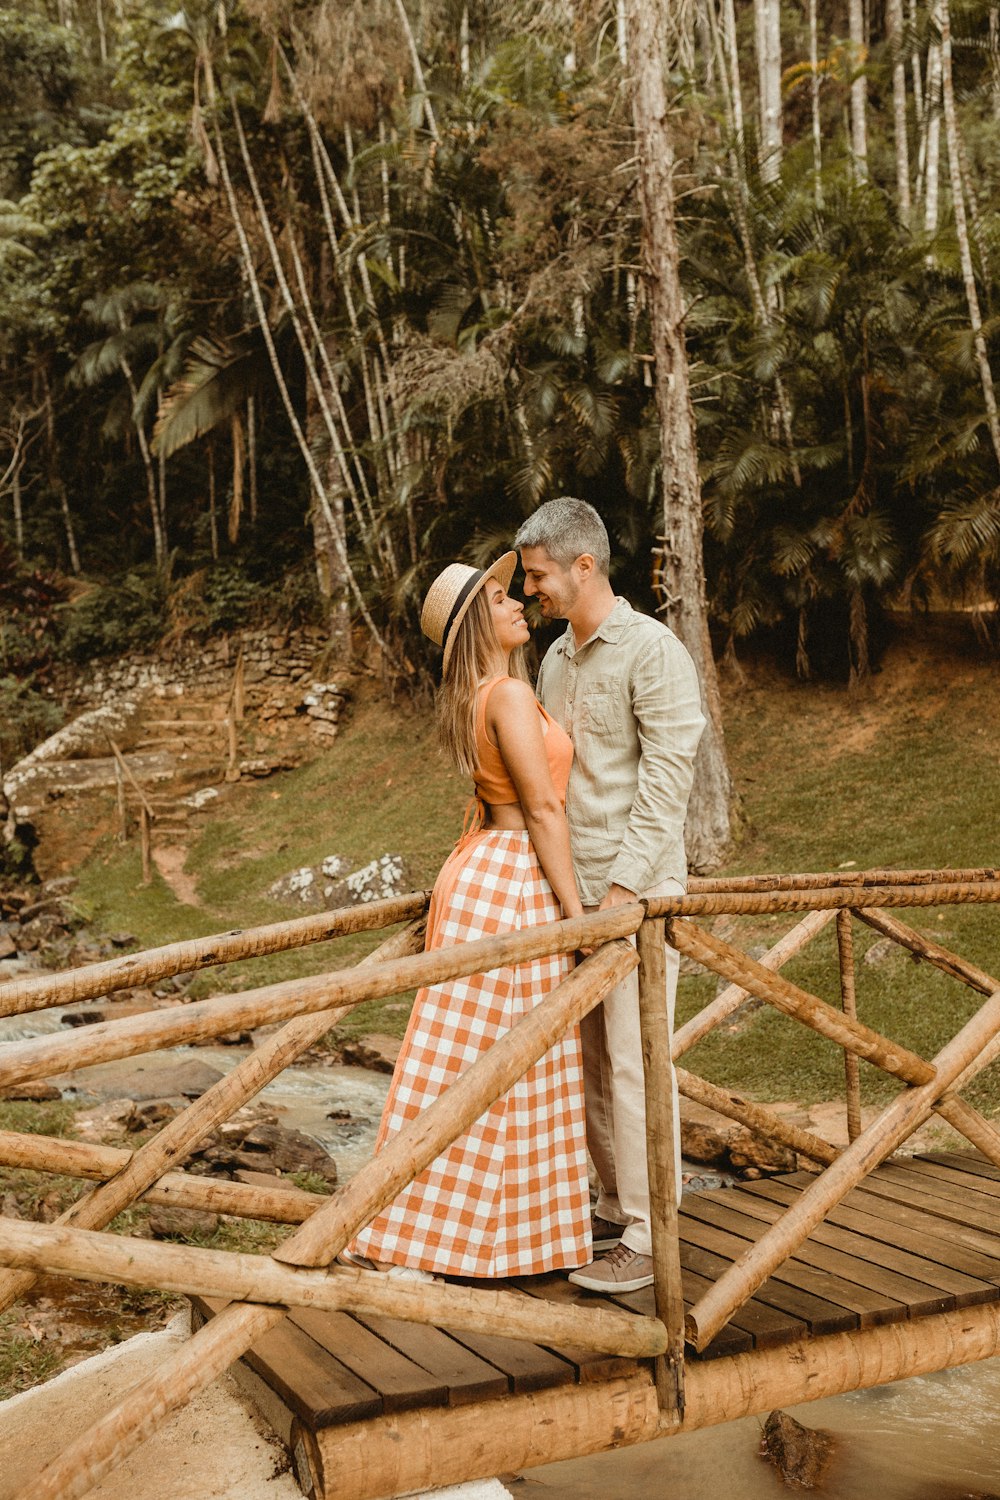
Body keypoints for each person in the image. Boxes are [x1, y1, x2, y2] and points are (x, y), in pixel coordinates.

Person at [346, 551, 592, 1281]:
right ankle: (433, 1238)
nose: (517, 600)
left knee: (479, 1058)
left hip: (485, 867)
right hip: (513, 875)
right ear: (475, 626)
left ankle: (484, 1240)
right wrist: (579, 917)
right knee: (504, 1058)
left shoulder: (486, 693)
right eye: (498, 597)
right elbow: (543, 807)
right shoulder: (508, 699)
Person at [514, 498, 706, 1293]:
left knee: (635, 1063)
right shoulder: (556, 660)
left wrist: (621, 893)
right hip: (577, 901)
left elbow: (668, 780)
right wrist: (567, 900)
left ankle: (651, 1232)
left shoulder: (653, 652)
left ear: (582, 566)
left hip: (635, 897)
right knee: (589, 1063)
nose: (530, 591)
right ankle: (611, 1203)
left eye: (537, 576)